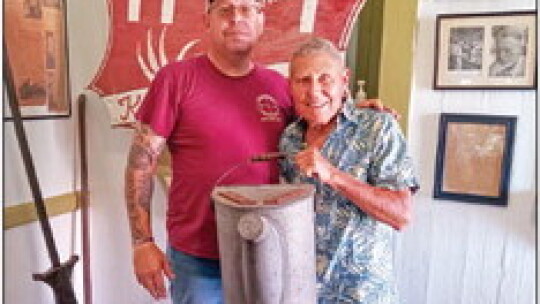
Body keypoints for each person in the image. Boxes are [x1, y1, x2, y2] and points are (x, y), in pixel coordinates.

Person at [125, 1, 392, 303]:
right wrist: (142, 242)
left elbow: (318, 121)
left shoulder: (279, 86)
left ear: (261, 21)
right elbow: (140, 163)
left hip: (269, 250)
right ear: (207, 20)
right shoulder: (175, 79)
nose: (236, 18)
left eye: (246, 9)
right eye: (225, 9)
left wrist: (352, 109)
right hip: (199, 257)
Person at [279, 37, 419, 303]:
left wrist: (333, 175)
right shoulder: (289, 137)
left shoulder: (379, 128)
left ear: (344, 81)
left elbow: (401, 215)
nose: (314, 91)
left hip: (361, 295)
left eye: (325, 79)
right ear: (291, 87)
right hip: (301, 292)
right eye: (303, 81)